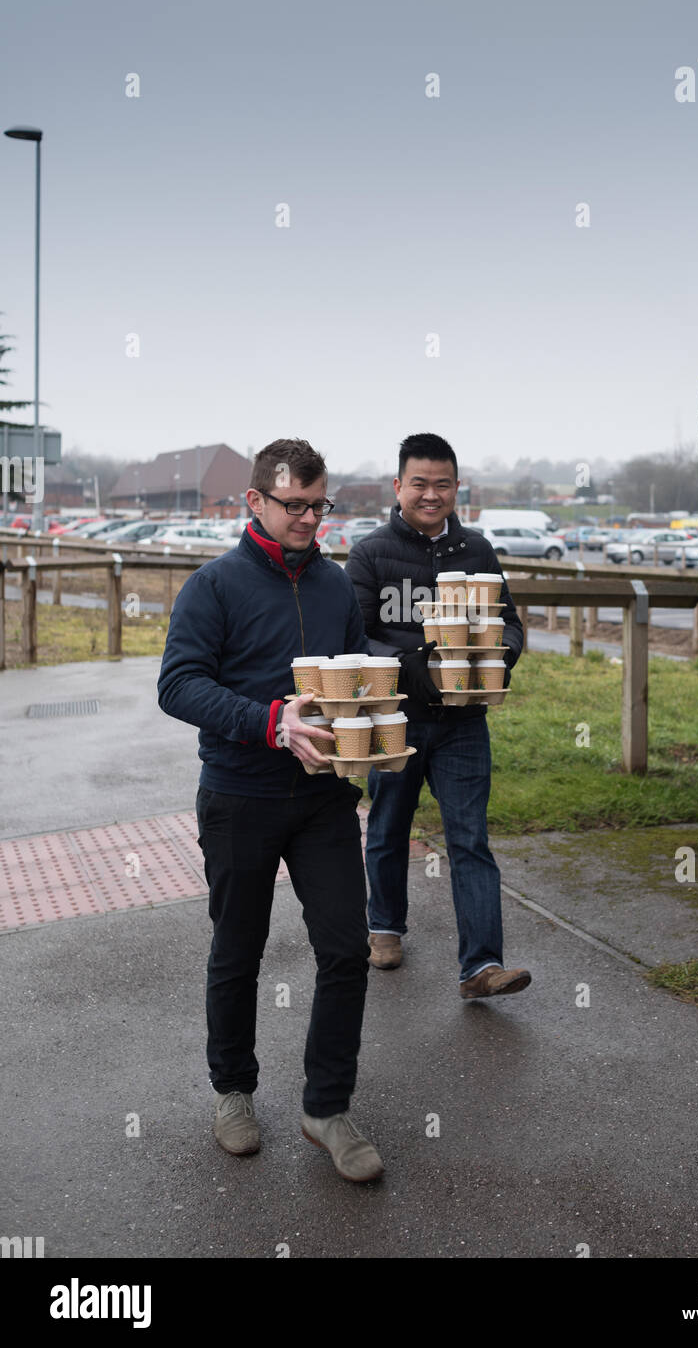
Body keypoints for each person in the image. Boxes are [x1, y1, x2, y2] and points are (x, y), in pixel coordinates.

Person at [157, 438, 384, 1183]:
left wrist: (366, 746)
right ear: (255, 501)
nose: (309, 520)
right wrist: (269, 722)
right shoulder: (212, 587)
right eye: (295, 505)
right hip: (239, 796)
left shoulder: (333, 586)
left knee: (347, 947)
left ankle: (326, 1107)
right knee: (238, 950)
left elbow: (352, 681)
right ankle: (233, 1093)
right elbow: (178, 686)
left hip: (321, 802)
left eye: (320, 506)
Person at [345, 432, 531, 998]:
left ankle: (481, 966)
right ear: (398, 486)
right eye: (419, 483)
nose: (431, 494)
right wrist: (407, 665)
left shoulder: (477, 551)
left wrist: (500, 657)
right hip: (395, 716)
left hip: (463, 722)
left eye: (442, 484)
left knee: (470, 837)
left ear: (457, 488)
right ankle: (384, 928)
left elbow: (511, 624)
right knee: (388, 827)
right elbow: (354, 635)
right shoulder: (371, 552)